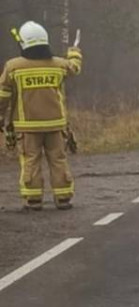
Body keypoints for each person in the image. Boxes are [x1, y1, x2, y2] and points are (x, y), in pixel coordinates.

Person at [0, 22, 83, 211]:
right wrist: (74, 52)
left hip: (27, 127)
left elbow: (3, 96)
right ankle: (63, 198)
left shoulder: (13, 67)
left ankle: (33, 200)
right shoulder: (59, 65)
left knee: (31, 161)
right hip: (56, 125)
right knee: (58, 160)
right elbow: (75, 68)